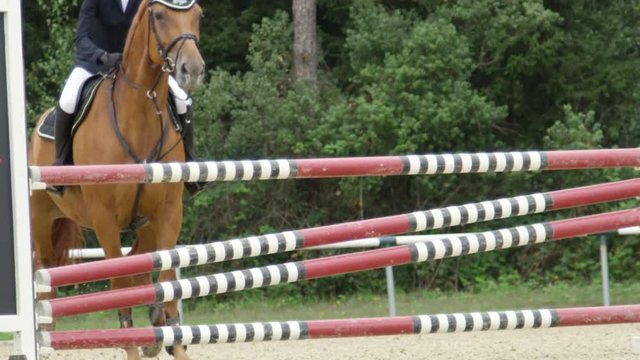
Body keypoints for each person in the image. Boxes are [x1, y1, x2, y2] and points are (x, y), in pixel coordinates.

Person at [53, 0, 206, 196]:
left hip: (135, 70)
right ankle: (62, 166)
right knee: (67, 100)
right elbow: (82, 39)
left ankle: (191, 165)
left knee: (182, 100)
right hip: (95, 65)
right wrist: (103, 56)